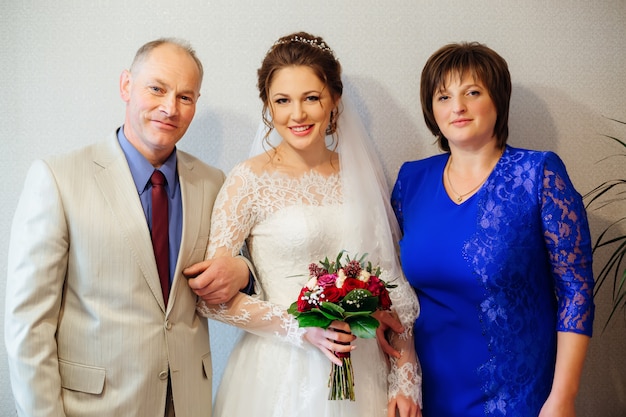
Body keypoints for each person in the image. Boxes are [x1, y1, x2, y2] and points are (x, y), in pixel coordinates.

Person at [4, 38, 253, 417]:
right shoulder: (57, 178)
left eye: (185, 97)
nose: (170, 108)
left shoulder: (213, 182)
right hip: (95, 407)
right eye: (157, 88)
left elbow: (254, 266)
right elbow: (28, 324)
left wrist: (242, 271)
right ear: (126, 85)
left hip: (189, 403)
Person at [185, 32, 422, 417]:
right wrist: (300, 328)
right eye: (282, 101)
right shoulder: (248, 180)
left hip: (364, 372)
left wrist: (405, 379)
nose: (297, 114)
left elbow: (394, 291)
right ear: (268, 106)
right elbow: (212, 300)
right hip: (279, 372)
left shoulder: (360, 174)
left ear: (333, 101)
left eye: (311, 98)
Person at [391, 41, 595, 417]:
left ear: (498, 99)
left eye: (472, 92)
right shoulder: (410, 182)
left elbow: (576, 289)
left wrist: (563, 396)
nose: (458, 107)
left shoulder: (538, 174)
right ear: (430, 109)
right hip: (425, 393)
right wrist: (401, 376)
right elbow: (394, 289)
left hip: (517, 395)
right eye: (443, 96)